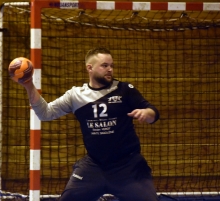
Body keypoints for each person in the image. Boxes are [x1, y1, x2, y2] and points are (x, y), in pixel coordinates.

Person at [18, 47, 160, 201]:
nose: (110, 69)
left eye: (111, 66)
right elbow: (45, 113)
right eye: (104, 65)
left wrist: (147, 114)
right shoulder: (76, 96)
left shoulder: (124, 90)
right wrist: (28, 85)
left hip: (128, 166)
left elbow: (153, 112)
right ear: (89, 68)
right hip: (95, 166)